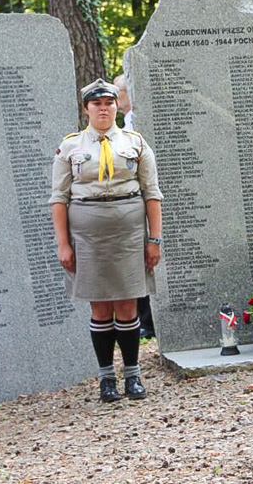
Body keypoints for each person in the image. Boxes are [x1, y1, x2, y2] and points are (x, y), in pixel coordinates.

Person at [50, 79, 163, 402]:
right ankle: (106, 378)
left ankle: (132, 375)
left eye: (109, 103)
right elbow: (58, 198)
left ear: (116, 106)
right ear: (86, 108)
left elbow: (152, 194)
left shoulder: (136, 143)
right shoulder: (71, 147)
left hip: (128, 235)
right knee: (100, 307)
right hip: (88, 236)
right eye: (97, 103)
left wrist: (154, 239)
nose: (103, 108)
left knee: (128, 304)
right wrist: (63, 244)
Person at [113, 74, 154, 339]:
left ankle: (147, 322)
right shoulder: (124, 124)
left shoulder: (138, 123)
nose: (115, 100)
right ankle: (138, 320)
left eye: (118, 93)